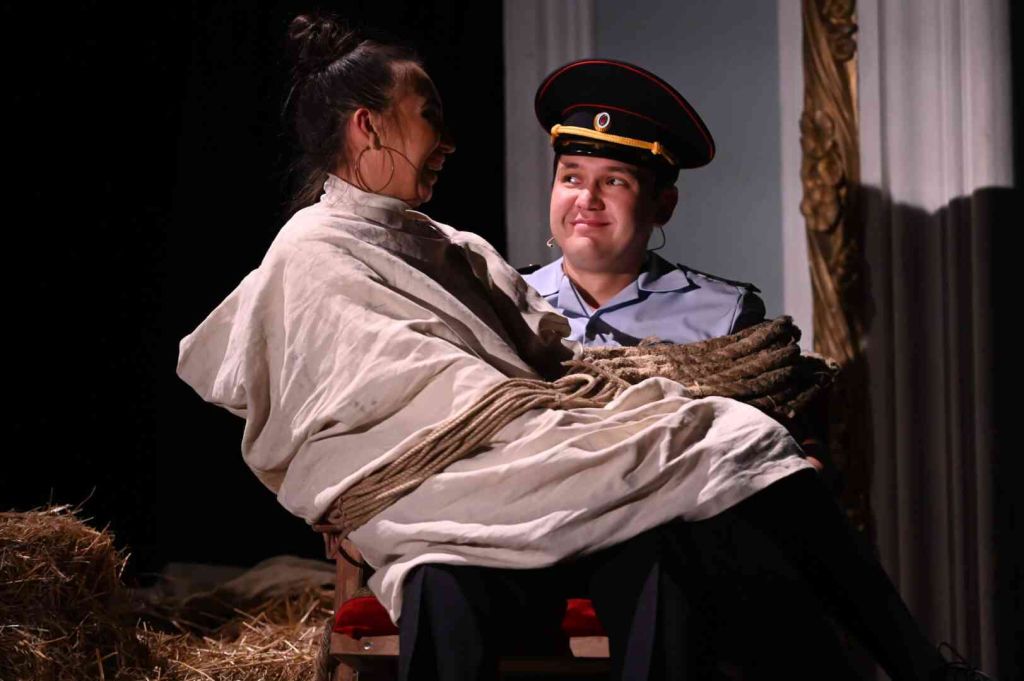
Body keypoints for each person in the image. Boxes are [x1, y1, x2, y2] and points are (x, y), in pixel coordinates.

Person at [176, 17, 987, 681]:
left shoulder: (452, 250)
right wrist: (610, 399)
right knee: (456, 569)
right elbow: (404, 399)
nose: (586, 200)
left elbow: (517, 370)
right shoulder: (320, 251)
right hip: (473, 494)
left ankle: (909, 667)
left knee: (705, 495)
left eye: (616, 182)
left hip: (574, 495)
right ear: (368, 125)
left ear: (660, 203)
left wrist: (615, 398)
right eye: (571, 176)